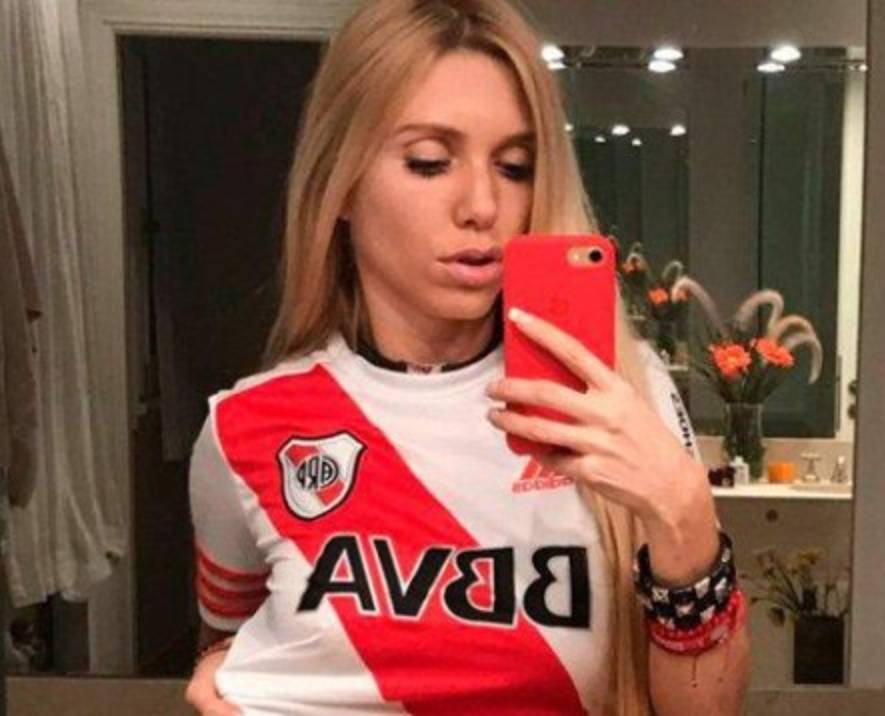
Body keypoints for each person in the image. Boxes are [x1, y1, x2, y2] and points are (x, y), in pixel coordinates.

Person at [183, 0, 749, 713]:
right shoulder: (243, 430)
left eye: (515, 167)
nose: (482, 204)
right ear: (340, 183)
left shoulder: (618, 398)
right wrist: (218, 671)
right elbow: (226, 647)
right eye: (429, 162)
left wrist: (685, 520)